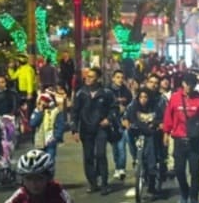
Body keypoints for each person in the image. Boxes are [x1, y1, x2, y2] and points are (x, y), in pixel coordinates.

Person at [163, 73, 199, 203]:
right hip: (179, 140)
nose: (189, 87)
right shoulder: (174, 99)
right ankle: (184, 192)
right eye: (187, 84)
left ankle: (194, 198)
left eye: (192, 85)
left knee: (195, 170)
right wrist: (166, 133)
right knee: (179, 170)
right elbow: (168, 116)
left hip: (195, 141)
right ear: (183, 84)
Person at [71, 67, 116, 195]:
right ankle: (93, 183)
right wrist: (74, 129)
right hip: (86, 129)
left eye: (91, 76)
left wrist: (108, 119)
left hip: (101, 128)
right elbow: (74, 112)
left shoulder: (106, 93)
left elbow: (114, 109)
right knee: (88, 156)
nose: (88, 79)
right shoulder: (81, 93)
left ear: (98, 78)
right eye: (87, 76)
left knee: (100, 154)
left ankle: (104, 184)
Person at [126, 89, 163, 194]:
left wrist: (155, 124)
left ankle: (152, 181)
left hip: (151, 135)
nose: (143, 99)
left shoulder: (155, 107)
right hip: (137, 133)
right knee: (129, 136)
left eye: (145, 97)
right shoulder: (134, 106)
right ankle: (136, 160)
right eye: (141, 97)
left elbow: (160, 118)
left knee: (151, 156)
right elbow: (131, 118)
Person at [108, 70, 132, 181]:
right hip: (112, 123)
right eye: (117, 77)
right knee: (115, 148)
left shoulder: (126, 91)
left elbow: (131, 106)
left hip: (123, 122)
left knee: (121, 146)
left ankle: (121, 168)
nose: (120, 79)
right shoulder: (108, 91)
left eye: (122, 77)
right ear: (113, 78)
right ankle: (117, 167)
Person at [30, 93, 66, 161]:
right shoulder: (36, 111)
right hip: (39, 142)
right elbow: (32, 123)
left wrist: (56, 137)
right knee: (39, 162)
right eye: (41, 101)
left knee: (49, 161)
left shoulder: (56, 111)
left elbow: (60, 125)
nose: (43, 103)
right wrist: (39, 113)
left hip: (51, 141)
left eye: (45, 101)